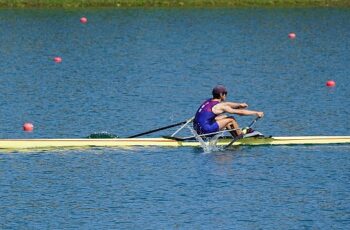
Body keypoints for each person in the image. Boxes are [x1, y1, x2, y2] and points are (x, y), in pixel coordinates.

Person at [193, 85, 264, 137]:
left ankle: (235, 134)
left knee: (224, 117)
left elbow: (227, 104)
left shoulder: (208, 101)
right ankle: (240, 135)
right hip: (205, 130)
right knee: (231, 119)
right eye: (225, 94)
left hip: (197, 129)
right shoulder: (221, 106)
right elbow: (240, 113)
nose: (226, 95)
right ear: (221, 95)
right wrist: (256, 113)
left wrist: (240, 105)